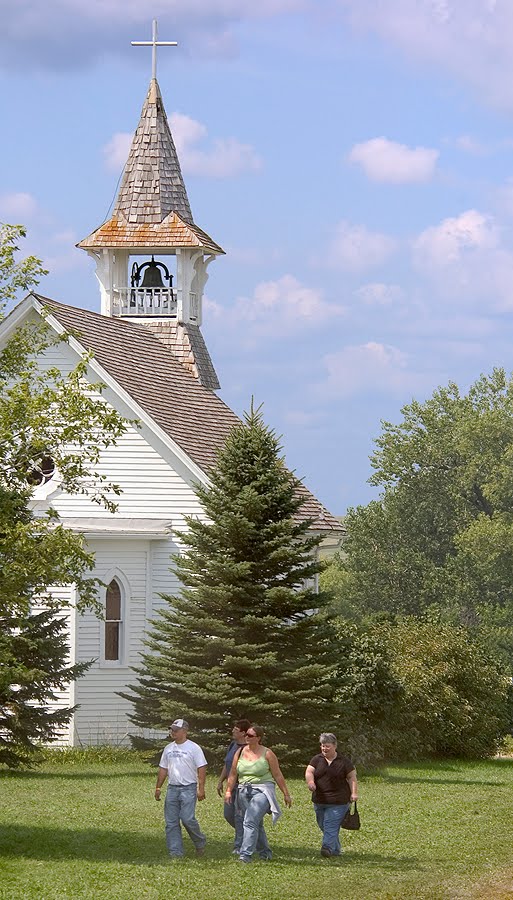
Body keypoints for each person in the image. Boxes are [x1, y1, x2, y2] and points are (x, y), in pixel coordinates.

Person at [225, 724, 292, 863]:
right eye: (246, 735)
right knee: (256, 824)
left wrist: (286, 793)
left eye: (250, 735)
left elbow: (278, 775)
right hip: (243, 790)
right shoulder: (240, 752)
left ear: (258, 738)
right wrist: (228, 791)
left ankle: (245, 855)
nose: (246, 737)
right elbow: (232, 773)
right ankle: (265, 853)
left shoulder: (267, 753)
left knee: (249, 821)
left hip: (262, 790)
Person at [155, 718, 207, 859]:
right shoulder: (168, 748)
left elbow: (201, 768)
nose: (172, 732)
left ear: (185, 731)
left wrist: (201, 788)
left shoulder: (193, 748)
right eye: (171, 730)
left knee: (187, 818)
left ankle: (199, 841)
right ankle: (176, 853)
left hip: (188, 788)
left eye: (175, 730)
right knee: (171, 822)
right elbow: (163, 768)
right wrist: (158, 787)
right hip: (172, 788)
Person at [305, 732, 358, 858]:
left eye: (327, 746)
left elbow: (352, 777)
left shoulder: (344, 761)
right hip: (319, 800)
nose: (324, 748)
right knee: (323, 824)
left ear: (335, 746)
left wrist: (354, 793)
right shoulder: (317, 759)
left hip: (338, 801)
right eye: (322, 746)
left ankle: (327, 848)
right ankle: (335, 849)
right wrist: (310, 782)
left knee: (330, 824)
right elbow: (309, 771)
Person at [216, 719, 251, 852]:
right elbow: (227, 764)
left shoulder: (248, 748)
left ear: (243, 733)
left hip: (242, 787)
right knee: (228, 814)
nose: (232, 731)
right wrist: (220, 781)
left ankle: (239, 846)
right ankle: (249, 834)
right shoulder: (232, 745)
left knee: (239, 816)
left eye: (236, 730)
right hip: (231, 786)